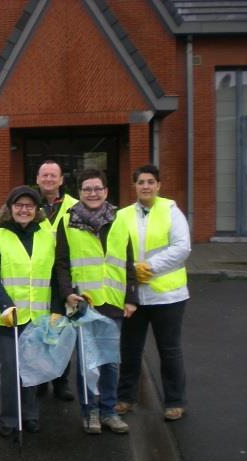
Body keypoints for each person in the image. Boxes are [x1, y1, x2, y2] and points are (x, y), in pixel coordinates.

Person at [54, 167, 137, 435]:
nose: (92, 193)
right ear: (79, 193)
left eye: (97, 189)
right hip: (84, 302)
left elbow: (128, 261)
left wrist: (131, 297)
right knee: (87, 361)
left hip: (113, 301)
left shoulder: (119, 220)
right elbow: (62, 263)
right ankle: (89, 411)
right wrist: (67, 293)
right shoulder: (69, 222)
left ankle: (109, 410)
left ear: (106, 191)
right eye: (87, 189)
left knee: (110, 361)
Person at [0, 186, 58, 436]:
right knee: (11, 369)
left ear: (36, 211)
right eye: (19, 205)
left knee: (33, 367)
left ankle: (30, 414)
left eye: (29, 206)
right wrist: (6, 304)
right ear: (10, 208)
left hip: (37, 316)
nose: (24, 210)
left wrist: (57, 310)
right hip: (7, 317)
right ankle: (10, 418)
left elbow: (55, 276)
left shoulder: (47, 237)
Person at [115, 165, 190, 422]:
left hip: (168, 297)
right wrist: (133, 273)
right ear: (134, 186)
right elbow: (115, 250)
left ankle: (174, 402)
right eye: (141, 182)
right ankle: (125, 398)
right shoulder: (123, 215)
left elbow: (182, 247)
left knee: (169, 350)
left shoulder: (171, 211)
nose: (145, 186)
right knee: (130, 350)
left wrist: (151, 267)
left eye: (150, 182)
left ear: (158, 185)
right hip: (134, 296)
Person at [35, 160, 78, 401]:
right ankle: (41, 380)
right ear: (38, 178)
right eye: (45, 175)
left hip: (63, 276)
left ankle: (61, 382)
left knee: (61, 331)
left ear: (61, 180)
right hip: (36, 277)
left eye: (54, 175)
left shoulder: (74, 206)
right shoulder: (29, 203)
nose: (49, 179)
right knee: (41, 330)